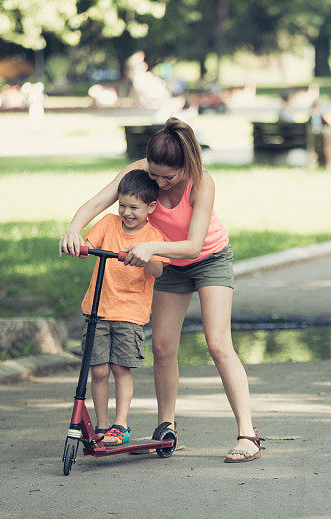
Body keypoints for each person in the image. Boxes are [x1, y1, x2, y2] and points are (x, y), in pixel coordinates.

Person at [59, 117, 264, 463]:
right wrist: (73, 230)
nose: (159, 182)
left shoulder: (202, 183)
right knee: (163, 345)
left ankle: (248, 434)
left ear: (186, 165)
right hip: (166, 263)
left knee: (217, 343)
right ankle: (165, 425)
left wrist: (153, 247)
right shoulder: (143, 171)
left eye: (167, 177)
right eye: (154, 174)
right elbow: (97, 203)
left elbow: (194, 245)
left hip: (206, 258)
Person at [79, 169, 169, 446]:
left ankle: (120, 424)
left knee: (120, 369)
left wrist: (146, 258)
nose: (126, 213)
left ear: (150, 207)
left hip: (129, 314)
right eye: (122, 205)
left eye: (134, 207)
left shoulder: (153, 237)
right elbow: (87, 244)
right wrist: (75, 243)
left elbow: (158, 271)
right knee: (99, 370)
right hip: (99, 311)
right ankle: (102, 425)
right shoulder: (108, 223)